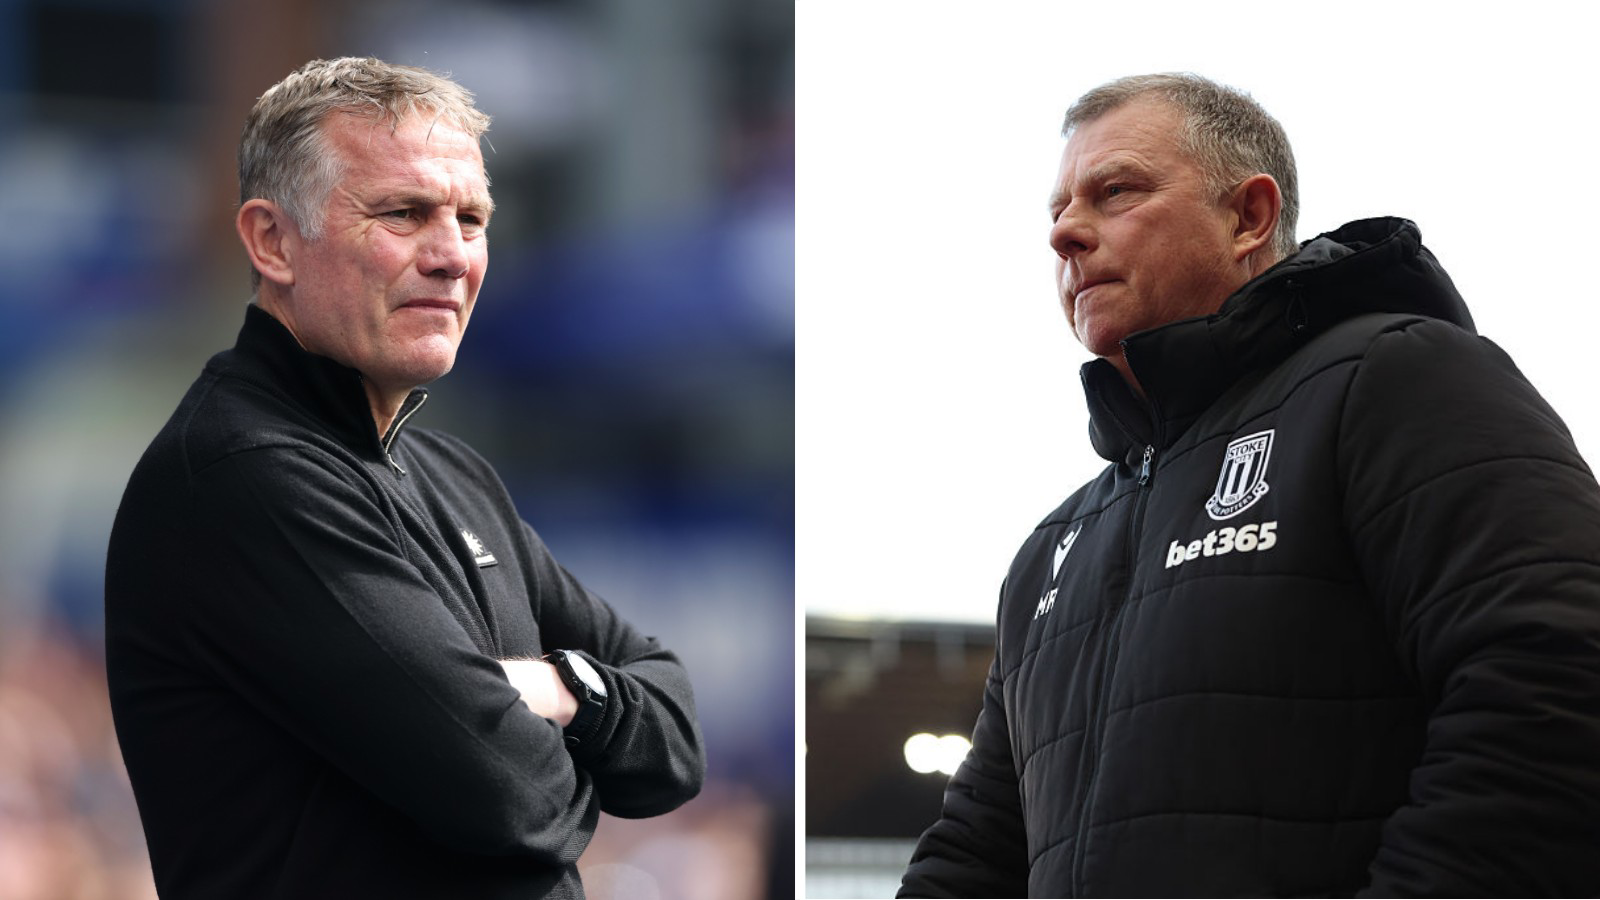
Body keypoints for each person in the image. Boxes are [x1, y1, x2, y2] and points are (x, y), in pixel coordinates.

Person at [898, 73, 1600, 897]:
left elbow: (1559, 681)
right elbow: (976, 847)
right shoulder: (1052, 551)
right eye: (1057, 215)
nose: (1066, 237)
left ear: (1249, 217)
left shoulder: (1395, 377)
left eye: (1113, 192)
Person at [105, 57, 705, 899]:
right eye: (404, 214)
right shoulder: (245, 475)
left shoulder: (452, 473)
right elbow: (520, 796)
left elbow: (676, 740)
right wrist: (583, 719)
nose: (452, 257)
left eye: (471, 219)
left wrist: (558, 686)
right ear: (272, 240)